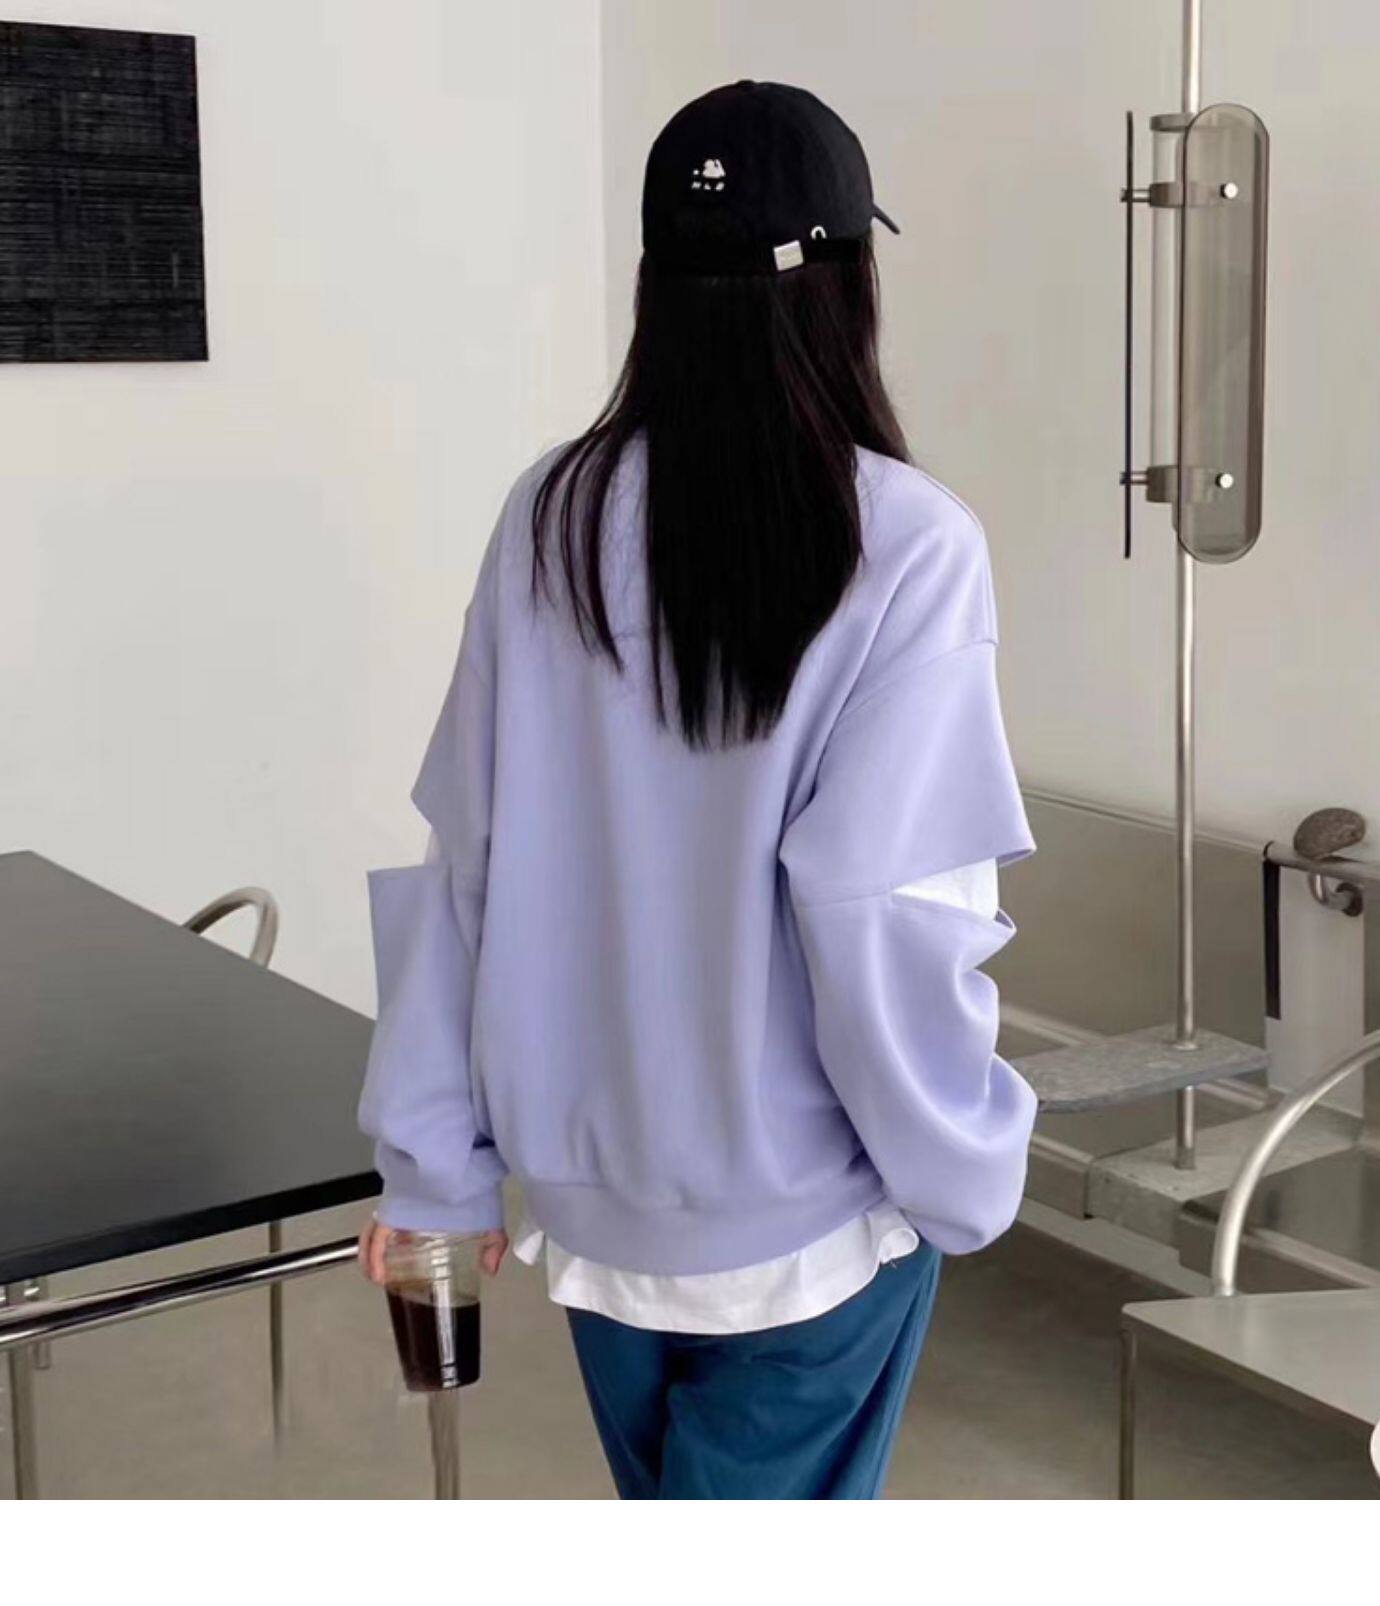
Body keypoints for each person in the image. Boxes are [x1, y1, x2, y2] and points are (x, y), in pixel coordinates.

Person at [357, 80, 1036, 1500]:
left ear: (655, 286)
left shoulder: (548, 516)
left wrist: (432, 1167)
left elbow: (466, 858)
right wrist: (965, 1171)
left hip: (598, 1229)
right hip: (812, 1231)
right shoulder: (908, 545)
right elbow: (884, 909)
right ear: (846, 283)